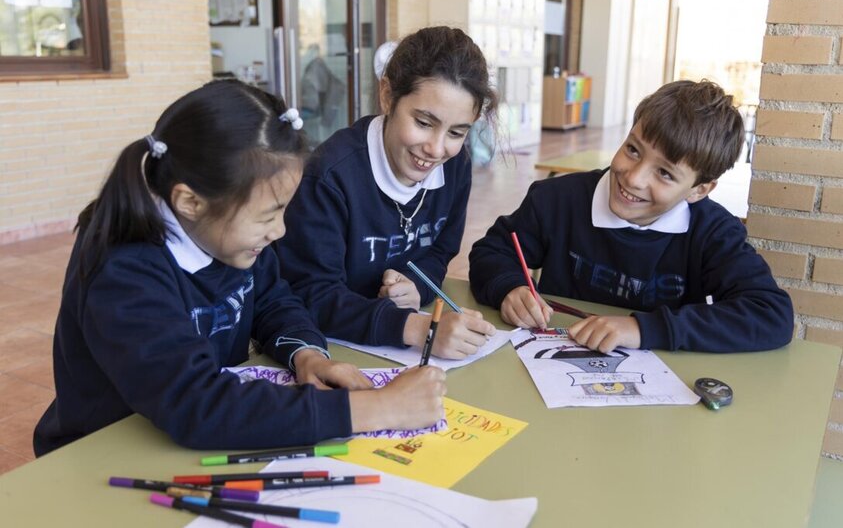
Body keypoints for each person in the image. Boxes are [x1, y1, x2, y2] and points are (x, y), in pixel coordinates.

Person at [33, 80, 446, 456]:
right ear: (189, 202)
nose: (279, 232)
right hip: (104, 453)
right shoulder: (124, 269)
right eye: (269, 216)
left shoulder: (227, 234)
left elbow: (271, 299)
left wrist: (307, 355)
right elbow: (196, 403)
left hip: (190, 440)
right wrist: (377, 408)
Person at [469, 79, 793, 353]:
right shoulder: (557, 199)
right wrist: (509, 288)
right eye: (633, 150)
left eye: (665, 173)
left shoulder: (712, 232)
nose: (634, 178)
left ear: (699, 190)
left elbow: (771, 315)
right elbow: (491, 252)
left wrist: (641, 330)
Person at [276, 26, 497, 359]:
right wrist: (418, 328)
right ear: (388, 96)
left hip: (390, 341)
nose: (436, 149)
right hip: (330, 348)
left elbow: (439, 252)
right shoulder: (329, 177)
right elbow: (312, 294)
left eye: (456, 132)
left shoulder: (455, 166)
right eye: (423, 123)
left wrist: (416, 286)